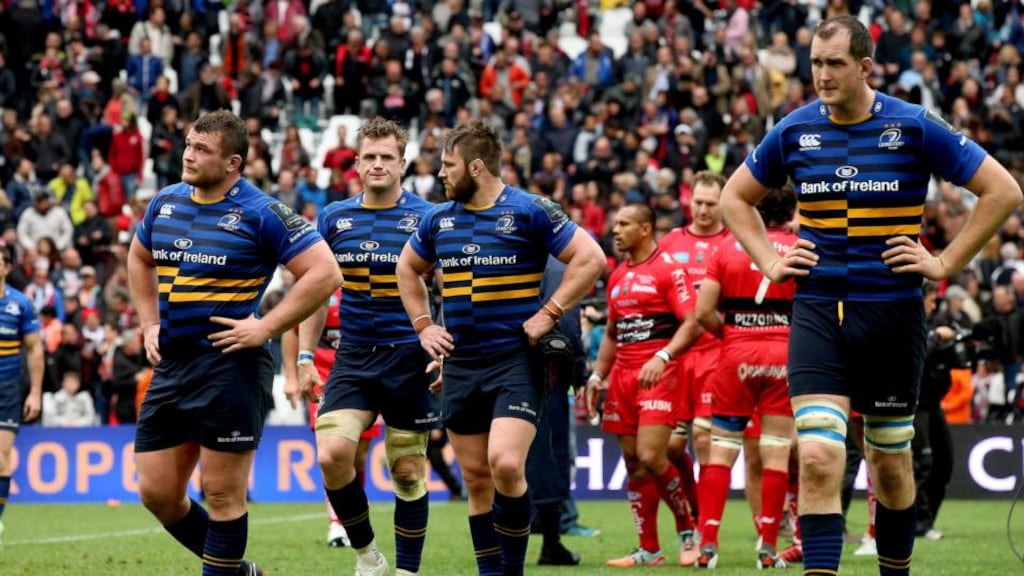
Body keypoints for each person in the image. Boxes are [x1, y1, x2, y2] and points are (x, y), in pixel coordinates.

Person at [720, 15, 1023, 576]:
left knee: (890, 463)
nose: (822, 75)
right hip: (816, 313)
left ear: (864, 66)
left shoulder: (913, 126)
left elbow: (1002, 191)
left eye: (834, 64)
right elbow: (734, 199)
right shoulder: (794, 129)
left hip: (892, 316)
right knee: (816, 457)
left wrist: (944, 263)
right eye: (815, 63)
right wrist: (769, 259)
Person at [127, 110, 341, 576]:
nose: (188, 154)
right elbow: (139, 257)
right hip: (173, 365)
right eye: (188, 144)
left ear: (233, 163)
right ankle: (240, 571)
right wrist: (148, 324)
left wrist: (265, 328)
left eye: (202, 149)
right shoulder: (165, 203)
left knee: (222, 493)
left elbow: (325, 272)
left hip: (231, 366)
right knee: (157, 492)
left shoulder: (261, 211)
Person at [396, 119, 605, 576]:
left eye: (448, 165)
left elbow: (591, 258)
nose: (441, 175)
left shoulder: (531, 210)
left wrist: (549, 312)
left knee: (506, 463)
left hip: (515, 361)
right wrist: (424, 326)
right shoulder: (437, 219)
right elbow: (407, 269)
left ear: (476, 166)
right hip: (460, 363)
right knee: (476, 481)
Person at [297, 116, 440, 576]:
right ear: (356, 164)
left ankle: (407, 571)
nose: (378, 165)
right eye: (369, 157)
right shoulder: (334, 217)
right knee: (332, 455)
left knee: (407, 471)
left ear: (403, 164)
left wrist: (441, 346)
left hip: (409, 357)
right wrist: (304, 355)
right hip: (354, 357)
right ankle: (368, 557)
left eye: (387, 158)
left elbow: (450, 287)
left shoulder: (428, 217)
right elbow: (316, 290)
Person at [583, 203, 703, 568]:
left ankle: (688, 530)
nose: (615, 230)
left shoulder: (669, 270)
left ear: (646, 228)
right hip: (622, 376)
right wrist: (597, 376)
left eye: (624, 224)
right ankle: (649, 549)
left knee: (653, 455)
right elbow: (613, 336)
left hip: (659, 374)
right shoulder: (617, 277)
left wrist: (663, 357)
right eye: (614, 223)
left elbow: (693, 322)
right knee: (634, 463)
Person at [694, 185, 798, 569]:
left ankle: (708, 545)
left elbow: (704, 312)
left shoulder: (726, 248)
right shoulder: (803, 251)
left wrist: (734, 335)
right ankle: (768, 547)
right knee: (775, 450)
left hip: (736, 351)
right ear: (790, 213)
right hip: (783, 354)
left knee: (721, 449)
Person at [657, 170, 732, 521]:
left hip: (716, 355)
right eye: (698, 203)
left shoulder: (734, 241)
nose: (702, 210)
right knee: (670, 446)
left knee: (705, 442)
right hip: (677, 355)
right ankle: (695, 505)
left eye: (710, 204)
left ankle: (704, 525)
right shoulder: (671, 241)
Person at [280, 289, 380, 549]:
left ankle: (354, 515)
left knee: (358, 456)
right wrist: (292, 377)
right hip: (324, 380)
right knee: (332, 453)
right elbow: (291, 332)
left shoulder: (370, 286)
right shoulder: (321, 285)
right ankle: (337, 522)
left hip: (366, 377)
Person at [0, 248, 44, 542]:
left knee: (1, 457)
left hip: (7, 390)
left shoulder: (20, 303)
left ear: (5, 267)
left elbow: (36, 350)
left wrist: (36, 393)